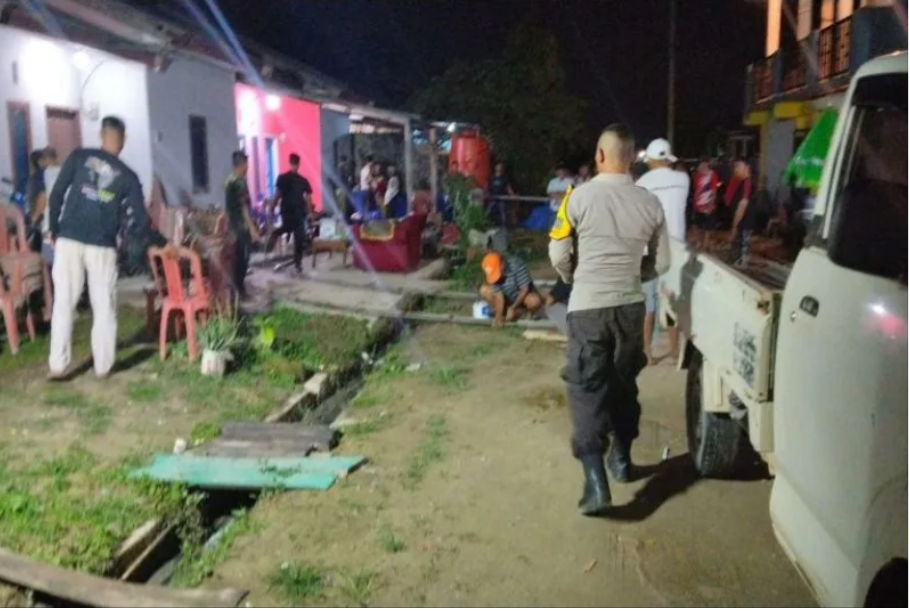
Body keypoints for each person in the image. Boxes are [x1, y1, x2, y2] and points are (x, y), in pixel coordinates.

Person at [549, 123, 670, 516]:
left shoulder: (577, 197)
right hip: (631, 307)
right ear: (632, 157)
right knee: (622, 384)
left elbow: (558, 253)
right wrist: (639, 276)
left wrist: (573, 278)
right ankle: (621, 459)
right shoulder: (650, 203)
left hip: (588, 308)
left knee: (587, 390)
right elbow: (663, 261)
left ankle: (596, 482)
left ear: (600, 156)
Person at [47, 116, 167, 379]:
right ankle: (103, 366)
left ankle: (58, 365)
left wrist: (55, 229)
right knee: (104, 305)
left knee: (64, 302)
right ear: (122, 141)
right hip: (102, 246)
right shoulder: (128, 176)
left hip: (69, 239)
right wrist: (159, 242)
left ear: (101, 136)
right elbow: (139, 220)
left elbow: (57, 193)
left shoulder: (79, 157)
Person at [635, 138, 689, 365]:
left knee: (649, 303)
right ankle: (675, 349)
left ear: (650, 160)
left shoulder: (641, 183)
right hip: (676, 247)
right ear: (668, 159)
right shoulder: (683, 179)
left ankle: (647, 352)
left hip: (651, 247)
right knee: (672, 299)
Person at [266, 153, 313, 275]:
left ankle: (298, 263)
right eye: (295, 164)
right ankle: (297, 263)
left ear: (291, 163)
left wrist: (272, 207)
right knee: (296, 234)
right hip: (293, 211)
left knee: (297, 234)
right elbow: (307, 198)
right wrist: (310, 213)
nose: (295, 166)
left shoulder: (286, 178)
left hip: (291, 211)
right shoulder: (296, 180)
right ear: (297, 164)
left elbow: (278, 194)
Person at [225, 150, 261, 299]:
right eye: (246, 164)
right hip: (241, 227)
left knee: (237, 258)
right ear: (241, 165)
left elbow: (229, 208)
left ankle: (235, 289)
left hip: (233, 226)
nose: (247, 168)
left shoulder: (229, 180)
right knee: (243, 258)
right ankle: (240, 290)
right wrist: (252, 229)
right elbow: (243, 207)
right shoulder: (239, 182)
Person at [479, 251, 543, 328]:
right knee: (485, 290)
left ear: (502, 264)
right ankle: (505, 315)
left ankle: (524, 312)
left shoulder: (516, 264)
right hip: (506, 298)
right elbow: (498, 295)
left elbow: (524, 289)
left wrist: (513, 307)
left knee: (534, 301)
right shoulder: (492, 271)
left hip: (523, 297)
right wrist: (499, 315)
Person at [726, 158, 756, 268]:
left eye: (738, 166)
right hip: (743, 221)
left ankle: (740, 268)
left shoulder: (747, 182)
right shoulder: (744, 181)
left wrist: (734, 226)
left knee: (742, 248)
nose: (735, 169)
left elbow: (742, 206)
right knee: (740, 247)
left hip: (744, 221)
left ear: (747, 167)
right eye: (735, 166)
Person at [691, 159, 721, 247]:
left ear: (707, 166)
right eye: (699, 167)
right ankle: (700, 243)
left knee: (708, 228)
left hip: (708, 205)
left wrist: (710, 206)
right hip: (698, 206)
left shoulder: (713, 175)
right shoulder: (696, 176)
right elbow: (697, 190)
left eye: (703, 166)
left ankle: (705, 245)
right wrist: (695, 204)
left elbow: (714, 192)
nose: (700, 168)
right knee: (698, 225)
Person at [486, 162, 515, 227]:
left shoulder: (505, 178)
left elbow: (508, 188)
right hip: (493, 199)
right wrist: (487, 194)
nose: (499, 168)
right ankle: (486, 226)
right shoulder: (492, 178)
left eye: (501, 167)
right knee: (488, 213)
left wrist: (512, 195)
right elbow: (488, 188)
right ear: (495, 168)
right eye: (498, 167)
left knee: (503, 215)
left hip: (502, 200)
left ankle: (504, 228)